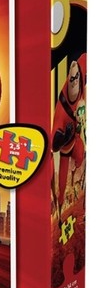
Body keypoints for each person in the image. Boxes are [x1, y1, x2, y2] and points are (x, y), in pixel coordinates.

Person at [51, 54, 86, 225]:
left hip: (77, 141)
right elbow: (54, 145)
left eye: (77, 78)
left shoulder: (80, 84)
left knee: (80, 158)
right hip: (65, 151)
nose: (75, 81)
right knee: (61, 186)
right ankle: (58, 212)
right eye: (73, 79)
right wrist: (63, 138)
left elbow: (84, 58)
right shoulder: (60, 114)